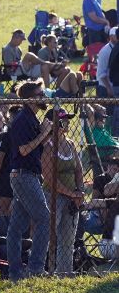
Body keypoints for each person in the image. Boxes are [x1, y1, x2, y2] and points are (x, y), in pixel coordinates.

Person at [5, 81, 53, 280]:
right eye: (40, 94)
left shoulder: (31, 118)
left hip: (27, 175)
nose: (43, 97)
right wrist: (43, 133)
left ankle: (14, 272)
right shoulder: (23, 119)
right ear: (30, 98)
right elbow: (23, 150)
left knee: (16, 227)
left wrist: (42, 131)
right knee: (44, 218)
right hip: (24, 175)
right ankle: (35, 268)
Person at [40, 108, 83, 274]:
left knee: (68, 238)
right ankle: (39, 269)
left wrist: (79, 191)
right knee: (47, 235)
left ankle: (64, 272)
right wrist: (71, 193)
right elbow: (49, 179)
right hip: (53, 196)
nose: (67, 123)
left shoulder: (71, 143)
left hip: (72, 198)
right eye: (62, 120)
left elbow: (78, 170)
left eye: (67, 120)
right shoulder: (47, 146)